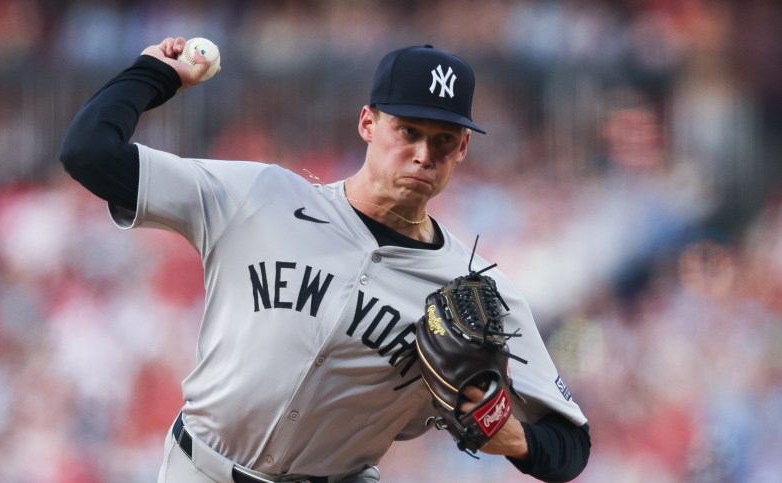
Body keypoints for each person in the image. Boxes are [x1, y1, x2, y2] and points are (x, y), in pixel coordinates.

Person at [60, 37, 591, 483]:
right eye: (408, 131)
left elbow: (571, 445)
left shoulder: (474, 292)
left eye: (444, 140)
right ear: (367, 123)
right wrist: (154, 74)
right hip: (198, 470)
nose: (424, 155)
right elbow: (89, 153)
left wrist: (516, 437)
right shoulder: (260, 196)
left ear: (462, 151)